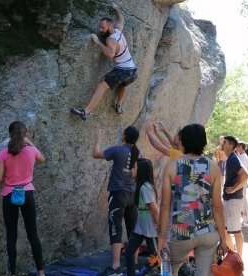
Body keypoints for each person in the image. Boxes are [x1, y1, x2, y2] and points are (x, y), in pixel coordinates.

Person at [158, 124, 228, 276]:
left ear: (183, 141)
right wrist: (223, 239)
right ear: (203, 142)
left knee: (169, 271)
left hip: (181, 234)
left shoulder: (171, 166)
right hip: (208, 234)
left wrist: (161, 238)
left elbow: (164, 205)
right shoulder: (213, 167)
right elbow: (217, 206)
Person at [71, 1, 138, 120]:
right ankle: (119, 105)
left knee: (102, 85)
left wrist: (97, 42)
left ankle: (85, 112)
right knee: (124, 84)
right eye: (100, 27)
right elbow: (122, 19)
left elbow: (110, 54)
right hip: (133, 71)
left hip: (124, 70)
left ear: (109, 26)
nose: (100, 30)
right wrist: (116, 9)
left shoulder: (110, 40)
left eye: (103, 27)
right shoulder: (118, 30)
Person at [0, 121, 45, 276]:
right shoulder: (31, 151)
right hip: (27, 193)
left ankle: (13, 273)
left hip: (9, 194)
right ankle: (41, 272)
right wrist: (29, 141)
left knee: (11, 237)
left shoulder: (4, 153)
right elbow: (42, 159)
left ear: (10, 134)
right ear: (24, 135)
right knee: (33, 234)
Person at [93, 126, 140, 275]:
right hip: (132, 195)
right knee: (133, 229)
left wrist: (98, 139)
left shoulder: (118, 150)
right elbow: (136, 174)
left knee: (116, 227)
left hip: (118, 194)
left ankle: (116, 267)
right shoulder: (138, 153)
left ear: (125, 136)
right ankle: (135, 264)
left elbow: (96, 154)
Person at [125, 158, 159, 276]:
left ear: (141, 171)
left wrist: (160, 229)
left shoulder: (146, 188)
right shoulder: (141, 186)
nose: (132, 169)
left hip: (150, 228)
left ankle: (145, 271)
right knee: (129, 252)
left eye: (134, 168)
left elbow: (154, 210)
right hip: (140, 226)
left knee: (156, 256)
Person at [222, 136, 248, 257]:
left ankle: (239, 259)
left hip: (233, 200)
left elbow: (246, 176)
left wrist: (234, 188)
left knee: (236, 231)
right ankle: (232, 256)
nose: (222, 144)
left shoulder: (233, 158)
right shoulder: (230, 158)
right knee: (226, 229)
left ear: (230, 145)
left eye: (224, 142)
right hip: (229, 199)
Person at [236, 142, 248, 228]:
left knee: (243, 200)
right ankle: (245, 219)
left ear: (240, 147)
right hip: (242, 180)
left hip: (242, 180)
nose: (236, 148)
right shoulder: (242, 156)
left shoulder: (242, 157)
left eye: (237, 147)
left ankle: (246, 220)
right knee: (243, 200)